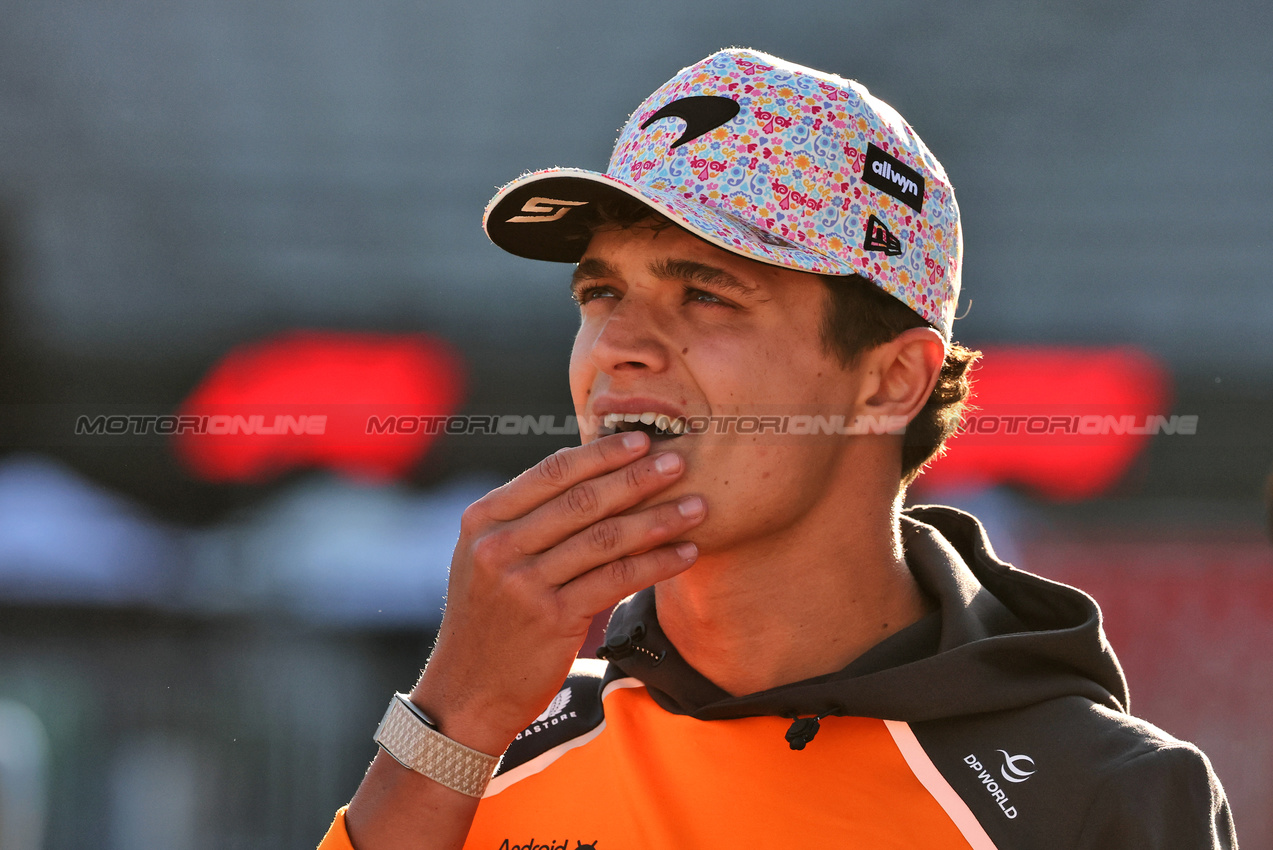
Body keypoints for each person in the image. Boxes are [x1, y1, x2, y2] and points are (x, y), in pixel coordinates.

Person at [319, 49, 1237, 849]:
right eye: (600, 293)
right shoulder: (472, 752)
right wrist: (456, 716)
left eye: (705, 293)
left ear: (889, 383)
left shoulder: (1100, 797)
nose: (618, 346)